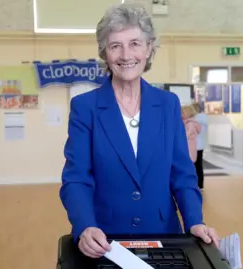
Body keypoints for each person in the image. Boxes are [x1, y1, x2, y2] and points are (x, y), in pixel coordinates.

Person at [60, 3, 220, 259]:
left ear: (148, 49)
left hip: (164, 236)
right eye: (115, 46)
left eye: (135, 43)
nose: (126, 55)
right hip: (105, 241)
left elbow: (182, 175)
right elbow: (76, 178)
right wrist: (85, 225)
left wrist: (194, 220)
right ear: (105, 53)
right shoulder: (85, 108)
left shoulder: (168, 105)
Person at [193, 103, 208, 189]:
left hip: (194, 145)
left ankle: (196, 183)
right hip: (201, 145)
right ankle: (200, 184)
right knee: (199, 165)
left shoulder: (195, 118)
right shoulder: (204, 117)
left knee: (195, 165)